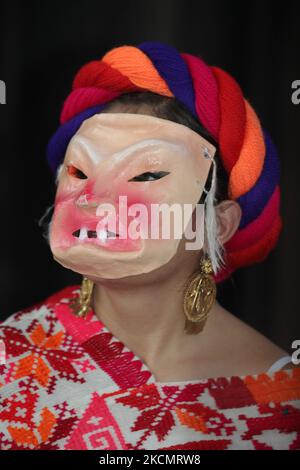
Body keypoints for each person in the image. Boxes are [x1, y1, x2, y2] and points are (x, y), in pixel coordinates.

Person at [0, 41, 299, 450]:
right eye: (79, 171)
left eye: (146, 175)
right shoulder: (11, 353)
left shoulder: (285, 415)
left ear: (221, 222)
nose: (93, 198)